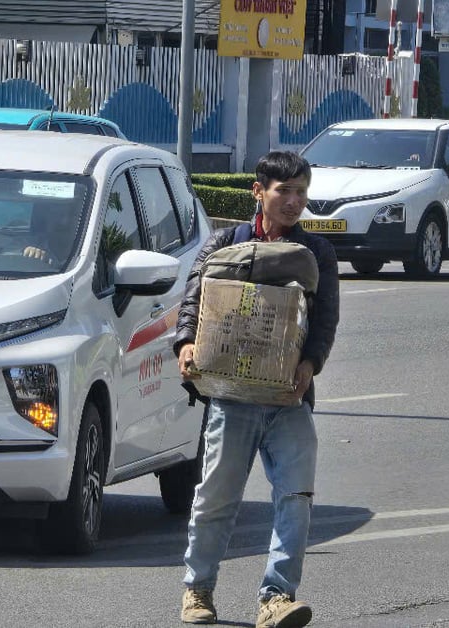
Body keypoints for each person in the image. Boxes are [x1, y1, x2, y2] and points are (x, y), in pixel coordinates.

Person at [174, 151, 340, 628]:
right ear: (258, 191)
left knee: (296, 498)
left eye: (300, 193)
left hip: (290, 400)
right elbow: (194, 299)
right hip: (231, 399)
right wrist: (186, 345)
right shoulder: (225, 243)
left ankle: (277, 598)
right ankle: (198, 590)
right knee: (216, 500)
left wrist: (310, 363)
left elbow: (325, 318)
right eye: (283, 191)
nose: (293, 202)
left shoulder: (318, 254)